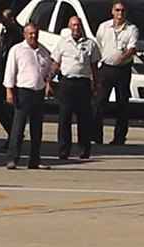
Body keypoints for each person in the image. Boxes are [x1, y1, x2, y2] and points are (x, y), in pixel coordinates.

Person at [3, 22, 53, 170]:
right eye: (30, 33)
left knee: (37, 130)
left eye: (35, 33)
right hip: (23, 92)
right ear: (25, 34)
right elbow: (10, 71)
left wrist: (48, 84)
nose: (33, 36)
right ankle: (12, 159)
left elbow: (48, 72)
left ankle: (34, 160)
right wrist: (9, 91)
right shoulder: (17, 50)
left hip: (38, 93)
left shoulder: (43, 51)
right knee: (18, 128)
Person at [51, 16, 100, 160]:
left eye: (78, 25)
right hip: (67, 83)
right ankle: (63, 150)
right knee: (64, 118)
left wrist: (96, 84)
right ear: (69, 27)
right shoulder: (63, 43)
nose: (76, 28)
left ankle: (84, 149)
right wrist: (48, 79)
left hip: (83, 84)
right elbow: (56, 63)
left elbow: (94, 67)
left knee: (84, 118)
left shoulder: (90, 44)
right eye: (73, 25)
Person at [94, 0, 139, 145]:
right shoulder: (103, 27)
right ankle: (96, 136)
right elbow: (98, 45)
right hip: (106, 69)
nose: (120, 13)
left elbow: (132, 49)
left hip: (122, 70)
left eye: (123, 11)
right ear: (112, 11)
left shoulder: (132, 29)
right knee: (99, 103)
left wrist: (122, 58)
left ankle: (119, 138)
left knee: (122, 104)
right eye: (118, 10)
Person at [0, 8, 23, 151]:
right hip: (2, 75)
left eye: (5, 20)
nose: (3, 23)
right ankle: (13, 134)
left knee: (10, 107)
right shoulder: (5, 31)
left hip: (12, 76)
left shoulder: (18, 33)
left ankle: (15, 136)